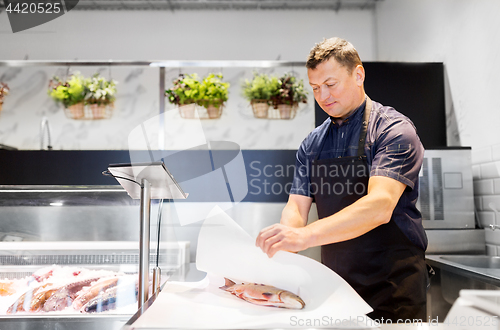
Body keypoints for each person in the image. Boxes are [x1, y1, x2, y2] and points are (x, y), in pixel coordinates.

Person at [255, 37, 428, 321]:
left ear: (358, 74)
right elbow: (296, 207)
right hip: (335, 287)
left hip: (393, 289)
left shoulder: (393, 130)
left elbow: (380, 205)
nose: (323, 96)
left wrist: (304, 235)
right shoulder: (313, 143)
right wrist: (284, 247)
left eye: (331, 84)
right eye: (315, 88)